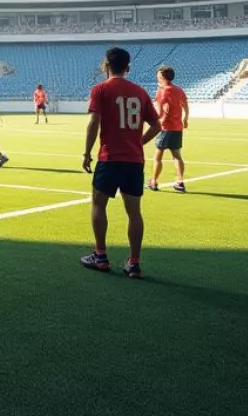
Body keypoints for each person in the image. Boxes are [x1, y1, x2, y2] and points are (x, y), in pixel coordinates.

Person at [80, 46, 160, 279]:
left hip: (109, 158)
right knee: (134, 212)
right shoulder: (140, 92)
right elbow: (157, 125)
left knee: (98, 204)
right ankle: (134, 263)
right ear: (128, 67)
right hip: (134, 161)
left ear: (106, 65)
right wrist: (138, 142)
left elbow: (93, 123)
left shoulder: (100, 89)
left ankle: (101, 256)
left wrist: (86, 153)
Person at [148, 66, 189, 192]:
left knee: (157, 157)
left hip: (165, 128)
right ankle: (180, 182)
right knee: (177, 156)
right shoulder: (179, 90)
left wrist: (158, 123)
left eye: (158, 75)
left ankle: (154, 182)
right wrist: (185, 119)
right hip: (177, 128)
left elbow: (163, 110)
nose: (157, 77)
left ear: (162, 77)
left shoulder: (163, 91)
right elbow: (185, 106)